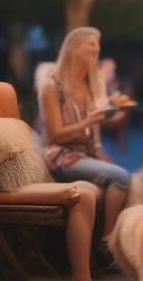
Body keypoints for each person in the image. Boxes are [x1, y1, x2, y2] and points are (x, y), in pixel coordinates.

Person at [39, 27, 131, 266]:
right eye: (91, 44)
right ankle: (108, 243)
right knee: (120, 177)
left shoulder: (90, 84)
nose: (96, 50)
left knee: (108, 187)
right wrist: (87, 122)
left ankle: (97, 256)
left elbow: (97, 125)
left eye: (97, 45)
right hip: (61, 154)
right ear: (74, 47)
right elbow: (56, 134)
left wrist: (112, 118)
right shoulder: (52, 86)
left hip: (85, 152)